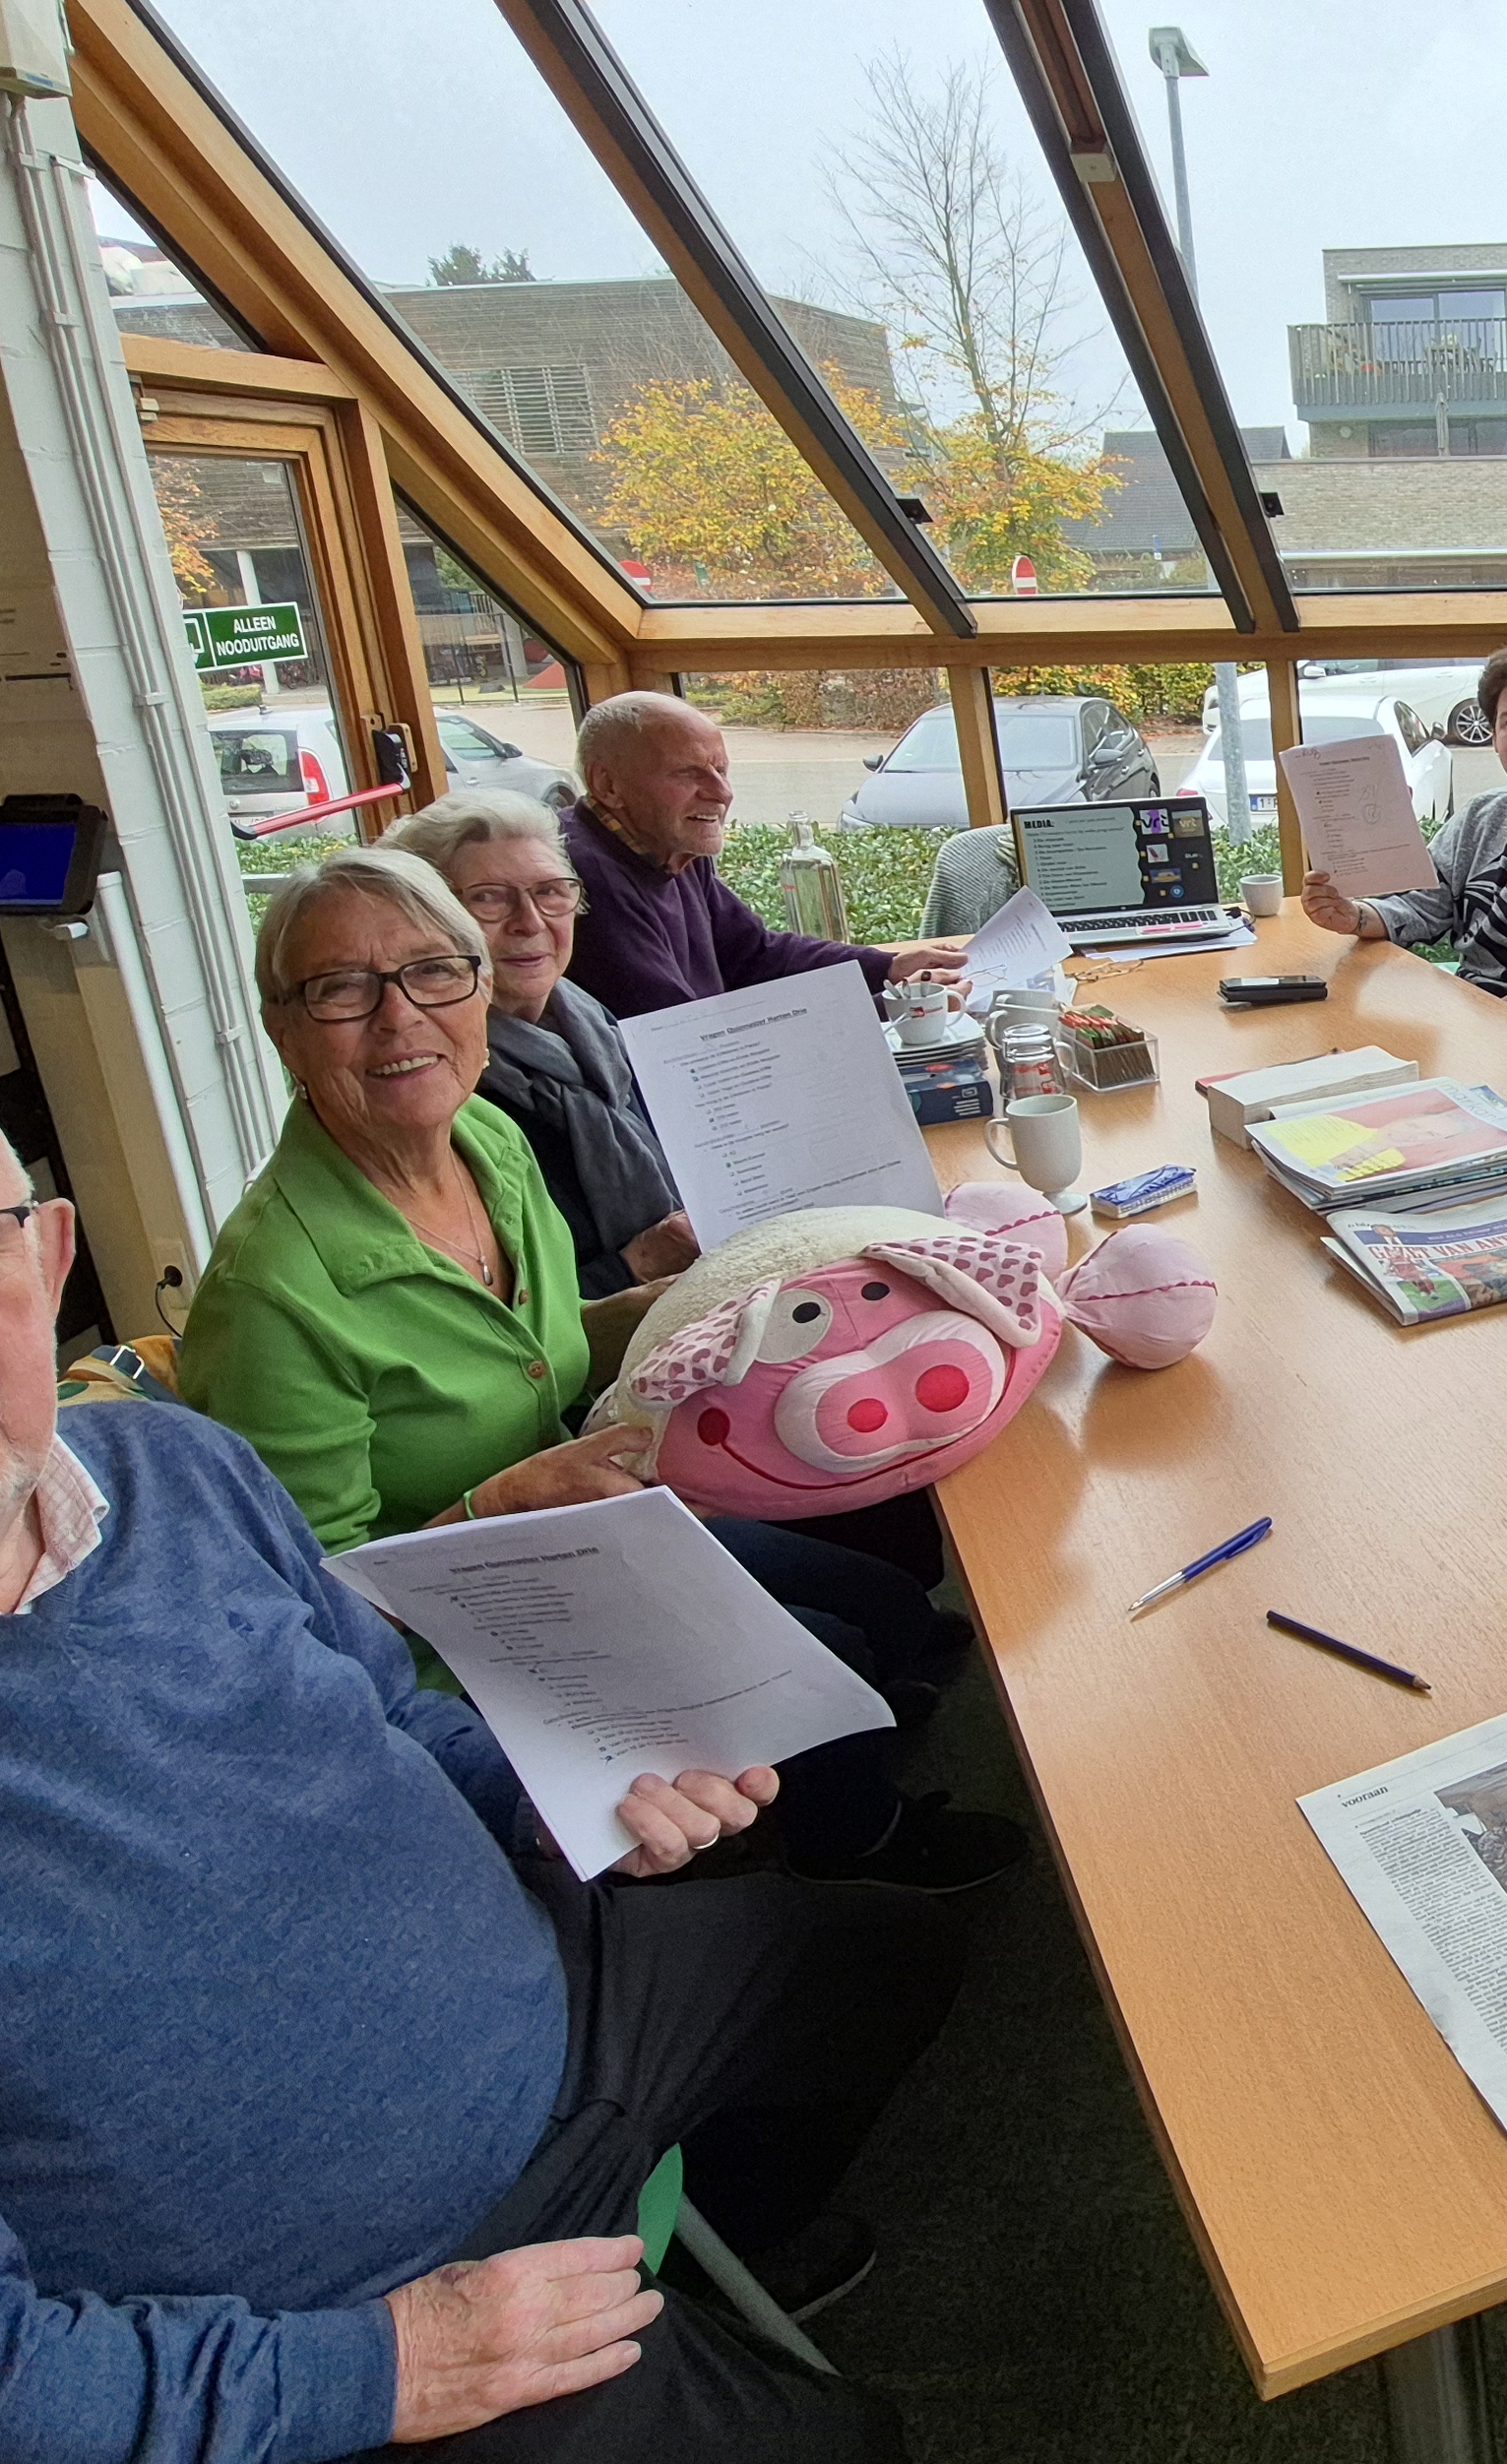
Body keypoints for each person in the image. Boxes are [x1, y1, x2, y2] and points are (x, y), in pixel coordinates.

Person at [0, 1037, 961, 2464]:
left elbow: (391, 1722)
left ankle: (707, 2251)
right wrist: (385, 2368)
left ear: (48, 1256)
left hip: (562, 2007)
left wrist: (562, 1796)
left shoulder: (172, 1467)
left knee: (905, 1957)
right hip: (351, 2322)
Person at [179, 851, 1003, 1890]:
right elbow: (308, 1607)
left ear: (479, 987)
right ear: (281, 1028)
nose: (399, 1019)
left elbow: (539, 1345)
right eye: (341, 989)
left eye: (434, 972)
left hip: (575, 1530)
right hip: (466, 1634)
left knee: (877, 1598)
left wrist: (720, 1293)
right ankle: (855, 1850)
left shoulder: (481, 1138)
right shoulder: (270, 1296)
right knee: (824, 1652)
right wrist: (498, 1505)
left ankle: (831, 1737)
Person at [382, 788, 695, 1304]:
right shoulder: (441, 1092)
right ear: (430, 925)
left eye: (550, 891)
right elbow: (481, 1319)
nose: (529, 921)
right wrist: (638, 1263)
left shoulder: (600, 1031)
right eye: (488, 898)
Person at [1297, 639, 1507, 1042]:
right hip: (1474, 1012)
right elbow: (1426, 901)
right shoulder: (1483, 814)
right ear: (1495, 736)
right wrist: (1355, 916)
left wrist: (1486, 1020)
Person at [559, 690, 966, 1022]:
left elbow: (755, 955)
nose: (722, 793)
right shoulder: (581, 879)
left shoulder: (670, 845)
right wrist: (895, 1006)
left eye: (721, 770)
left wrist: (887, 967)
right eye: (687, 773)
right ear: (607, 785)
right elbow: (683, 1034)